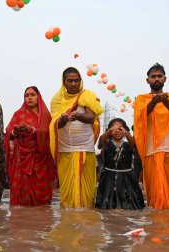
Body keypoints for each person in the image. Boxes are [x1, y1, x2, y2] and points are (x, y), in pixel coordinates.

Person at [134, 63, 169, 209]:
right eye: (153, 77)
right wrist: (153, 102)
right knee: (153, 193)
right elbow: (140, 117)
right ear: (148, 80)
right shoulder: (141, 99)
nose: (156, 79)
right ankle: (156, 228)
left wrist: (165, 101)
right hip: (150, 152)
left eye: (159, 76)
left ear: (165, 79)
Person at [49, 67, 103, 208]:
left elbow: (91, 118)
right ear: (64, 82)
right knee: (67, 192)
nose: (73, 83)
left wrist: (78, 115)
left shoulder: (87, 95)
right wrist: (64, 119)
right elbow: (55, 126)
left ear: (80, 81)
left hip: (86, 149)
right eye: (70, 80)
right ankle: (68, 223)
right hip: (65, 151)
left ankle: (86, 221)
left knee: (87, 192)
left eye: (76, 80)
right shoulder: (57, 100)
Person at [5, 86, 54, 206]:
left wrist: (31, 130)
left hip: (41, 158)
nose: (29, 98)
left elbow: (49, 134)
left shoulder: (46, 116)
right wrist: (15, 132)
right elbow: (8, 133)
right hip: (21, 159)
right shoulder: (18, 114)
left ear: (38, 97)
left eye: (32, 95)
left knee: (42, 203)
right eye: (26, 95)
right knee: (21, 197)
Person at [95, 118, 145, 210]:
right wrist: (110, 130)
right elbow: (103, 138)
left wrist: (126, 133)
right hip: (109, 177)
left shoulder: (127, 144)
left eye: (120, 129)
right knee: (108, 202)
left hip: (126, 177)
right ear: (109, 131)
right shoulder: (107, 143)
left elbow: (132, 142)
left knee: (129, 202)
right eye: (114, 129)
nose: (117, 131)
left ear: (125, 130)